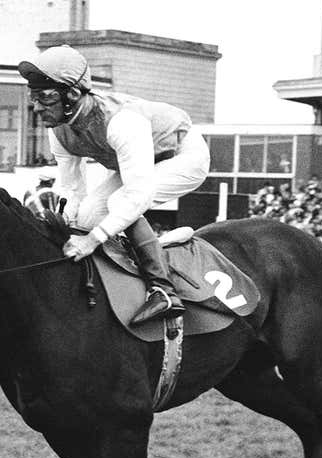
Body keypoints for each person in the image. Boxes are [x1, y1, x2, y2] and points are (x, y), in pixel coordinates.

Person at [18, 45, 210, 325]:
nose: (37, 108)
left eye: (45, 98)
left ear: (72, 94)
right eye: (33, 98)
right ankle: (134, 263)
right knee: (86, 214)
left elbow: (138, 195)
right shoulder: (58, 130)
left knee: (120, 203)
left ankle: (163, 289)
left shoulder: (122, 122)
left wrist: (91, 241)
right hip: (140, 163)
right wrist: (65, 231)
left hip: (185, 155)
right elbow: (73, 190)